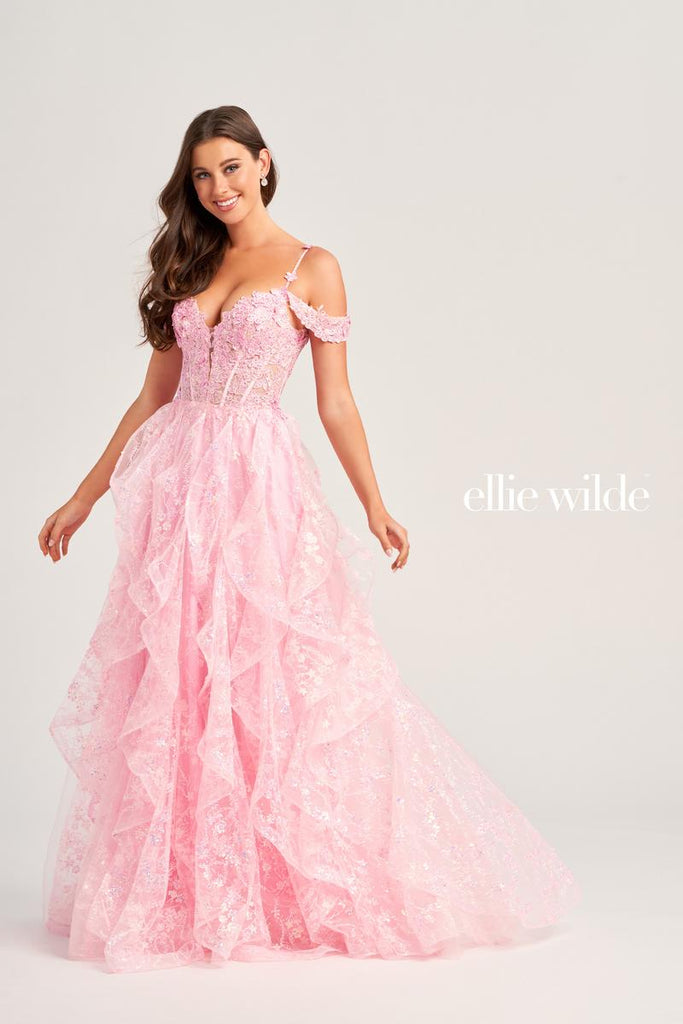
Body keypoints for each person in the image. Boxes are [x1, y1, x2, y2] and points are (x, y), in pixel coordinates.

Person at [39, 105, 580, 974]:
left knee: (270, 671)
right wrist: (82, 496)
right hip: (180, 486)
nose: (217, 188)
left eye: (230, 167)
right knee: (180, 672)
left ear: (264, 162)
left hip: (258, 486)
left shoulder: (310, 267)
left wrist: (374, 503)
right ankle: (193, 887)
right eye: (201, 176)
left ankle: (284, 881)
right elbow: (152, 398)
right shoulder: (189, 263)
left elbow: (335, 401)